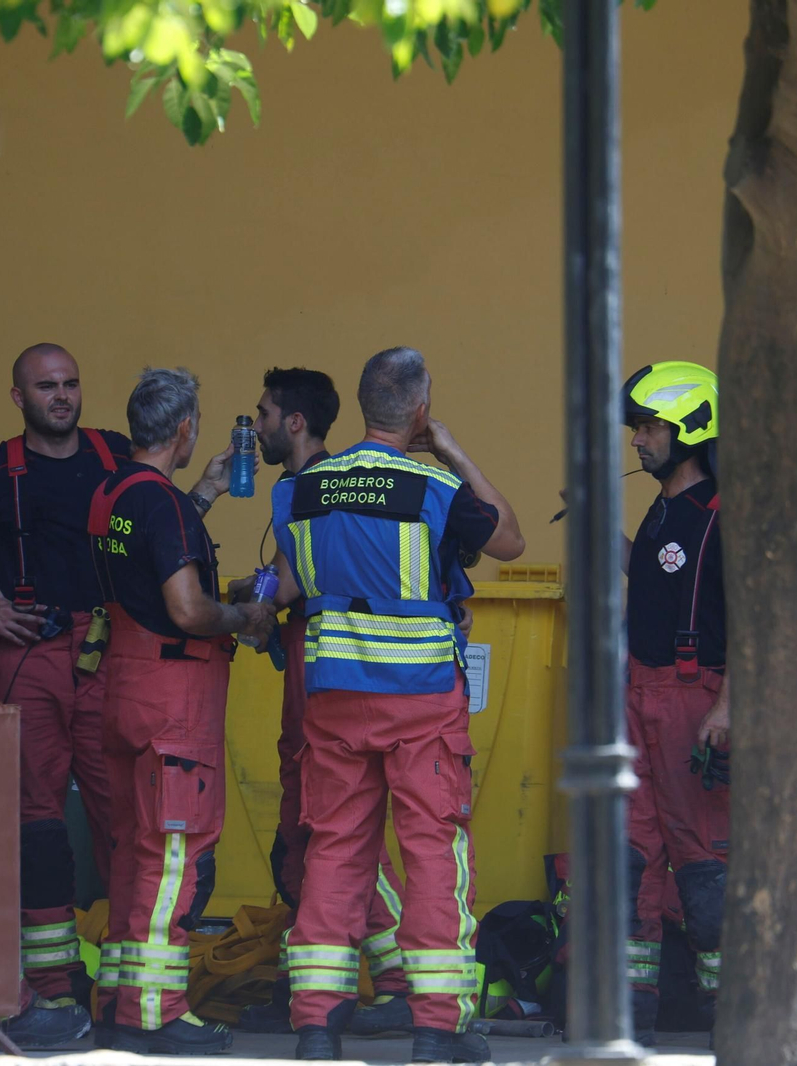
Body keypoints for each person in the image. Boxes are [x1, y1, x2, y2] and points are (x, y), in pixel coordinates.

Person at [0, 344, 243, 1049]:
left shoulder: (115, 461)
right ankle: (52, 987)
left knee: (133, 815)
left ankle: (125, 987)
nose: (62, 397)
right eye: (47, 387)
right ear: (18, 396)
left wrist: (206, 495)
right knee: (39, 820)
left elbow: (152, 544)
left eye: (72, 384)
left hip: (114, 655)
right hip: (31, 655)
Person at [269, 347, 524, 1063]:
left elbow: (287, 582)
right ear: (419, 410)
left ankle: (315, 1025)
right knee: (433, 852)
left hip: (334, 698)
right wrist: (452, 451)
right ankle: (436, 1027)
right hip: (420, 703)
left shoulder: (304, 486)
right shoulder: (434, 487)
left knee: (335, 850)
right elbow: (510, 540)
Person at [87, 367, 276, 1055]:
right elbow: (189, 609)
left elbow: (147, 556)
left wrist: (205, 493)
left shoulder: (111, 492)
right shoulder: (162, 505)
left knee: (132, 852)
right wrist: (245, 616)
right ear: (186, 428)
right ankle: (156, 1014)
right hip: (175, 696)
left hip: (123, 684)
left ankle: (116, 999)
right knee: (174, 857)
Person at [226, 368, 412, 1038]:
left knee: (332, 825)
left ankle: (399, 982)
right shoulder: (301, 486)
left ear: (295, 423)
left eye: (265, 413)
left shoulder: (319, 486)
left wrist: (232, 608)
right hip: (315, 662)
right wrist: (258, 589)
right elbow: (283, 571)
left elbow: (295, 578)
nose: (258, 426)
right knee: (305, 828)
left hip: (325, 664)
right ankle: (305, 982)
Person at [618, 360, 727, 1048]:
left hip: (697, 700)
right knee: (632, 853)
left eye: (650, 426)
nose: (638, 439)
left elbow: (754, 615)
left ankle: (734, 1010)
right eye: (637, 426)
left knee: (705, 857)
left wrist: (730, 707)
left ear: (689, 426)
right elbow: (656, 576)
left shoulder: (723, 514)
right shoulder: (663, 510)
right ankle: (630, 1012)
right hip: (641, 693)